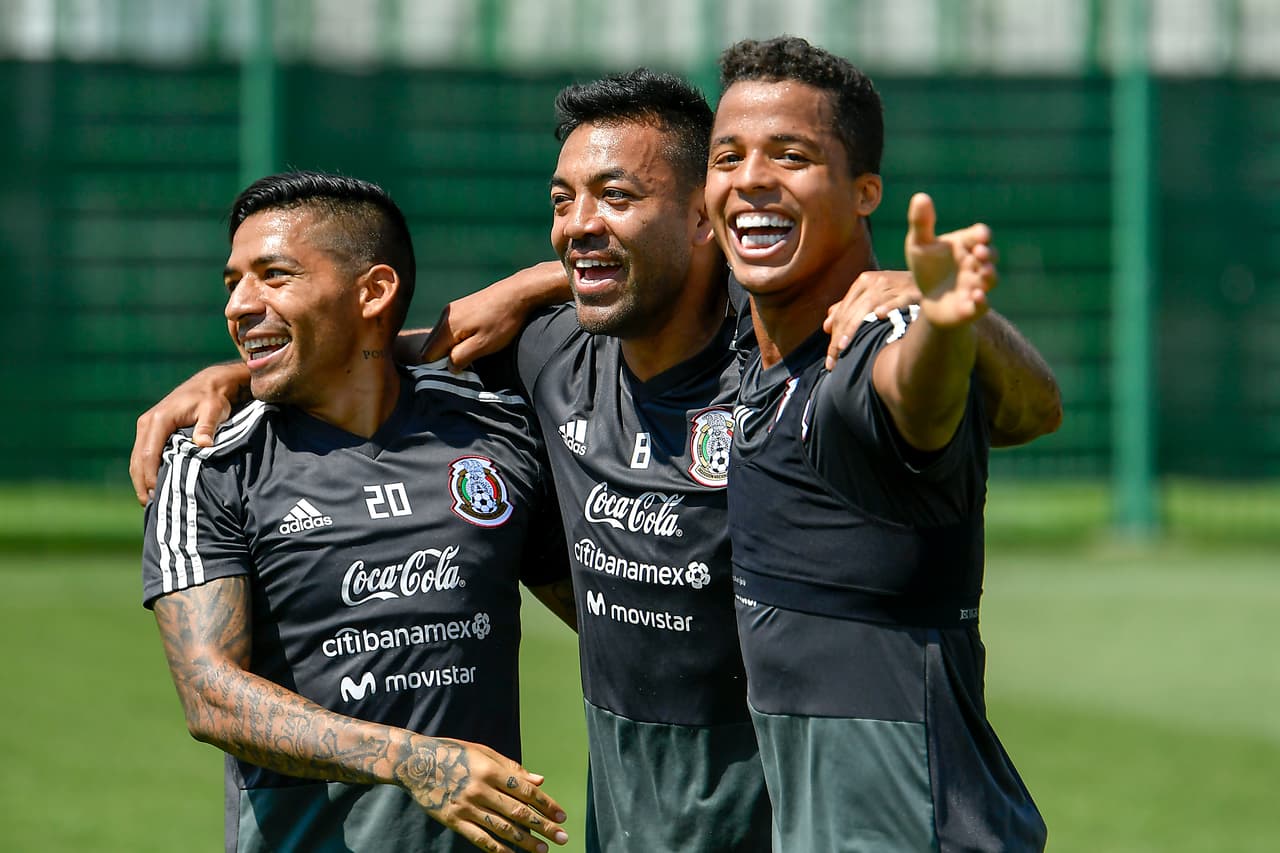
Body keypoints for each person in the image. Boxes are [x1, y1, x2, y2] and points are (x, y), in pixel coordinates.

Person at [132, 71, 1060, 853]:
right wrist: (238, 374)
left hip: (799, 805)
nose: (577, 223)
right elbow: (371, 351)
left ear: (705, 219)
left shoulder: (786, 353)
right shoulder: (545, 359)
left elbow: (1008, 411)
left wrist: (940, 318)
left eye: (615, 196)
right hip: (628, 818)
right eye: (562, 200)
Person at [140, 171, 574, 853]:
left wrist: (529, 284)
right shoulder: (210, 465)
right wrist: (416, 760)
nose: (241, 305)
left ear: (373, 291)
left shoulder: (497, 432)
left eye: (273, 275)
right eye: (233, 282)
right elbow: (210, 693)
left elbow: (603, 613)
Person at [707, 36, 1050, 851]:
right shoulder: (756, 335)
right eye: (728, 156)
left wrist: (946, 326)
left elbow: (914, 399)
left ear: (865, 193)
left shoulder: (872, 338)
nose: (752, 176)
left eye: (790, 155)